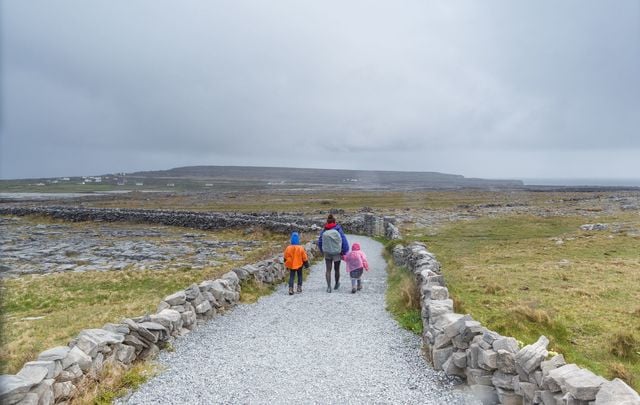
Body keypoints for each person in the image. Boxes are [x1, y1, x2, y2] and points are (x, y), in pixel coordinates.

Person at [318, 214, 349, 293]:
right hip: (337, 252)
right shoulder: (338, 229)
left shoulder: (324, 230)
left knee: (328, 269)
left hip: (327, 252)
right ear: (334, 221)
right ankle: (336, 284)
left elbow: (320, 241)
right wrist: (345, 251)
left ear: (327, 222)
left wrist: (322, 250)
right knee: (337, 269)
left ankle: (328, 287)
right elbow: (343, 240)